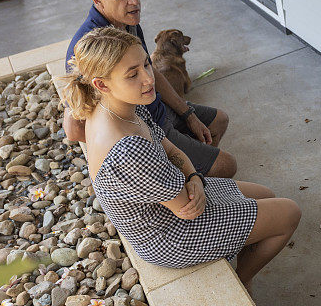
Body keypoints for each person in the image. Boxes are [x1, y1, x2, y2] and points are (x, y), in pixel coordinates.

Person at [61, 27, 300, 289]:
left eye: (146, 65)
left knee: (266, 193)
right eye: (133, 74)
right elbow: (186, 209)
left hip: (175, 197)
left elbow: (170, 148)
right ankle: (244, 280)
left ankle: (240, 250)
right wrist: (192, 181)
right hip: (169, 236)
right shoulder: (127, 150)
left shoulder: (122, 106)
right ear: (101, 84)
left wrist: (194, 176)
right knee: (289, 213)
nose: (148, 78)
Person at [64, 0, 237, 178]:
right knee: (226, 165)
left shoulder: (127, 21)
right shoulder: (88, 47)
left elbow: (151, 70)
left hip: (160, 110)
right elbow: (74, 128)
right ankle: (191, 186)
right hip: (149, 129)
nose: (134, 1)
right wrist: (147, 147)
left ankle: (193, 177)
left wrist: (188, 114)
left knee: (218, 120)